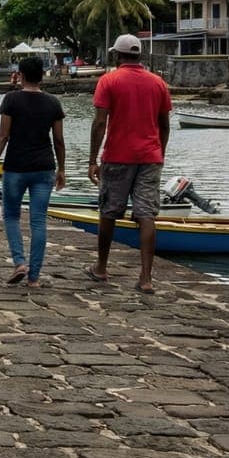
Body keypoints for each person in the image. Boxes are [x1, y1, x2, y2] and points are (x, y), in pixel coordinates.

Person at [87, 34, 173, 293]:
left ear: (116, 55)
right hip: (150, 157)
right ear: (140, 55)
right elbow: (164, 125)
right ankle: (146, 278)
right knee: (146, 214)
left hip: (117, 156)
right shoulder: (158, 83)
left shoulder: (109, 80)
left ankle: (101, 268)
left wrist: (92, 159)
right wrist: (160, 152)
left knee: (109, 212)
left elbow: (100, 123)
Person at [0, 57, 66, 288]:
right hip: (44, 167)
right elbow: (59, 141)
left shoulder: (11, 100)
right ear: (42, 75)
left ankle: (20, 262)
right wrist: (62, 169)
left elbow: (3, 136)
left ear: (20, 75)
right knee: (38, 221)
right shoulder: (53, 103)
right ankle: (34, 277)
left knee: (11, 216)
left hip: (16, 167)